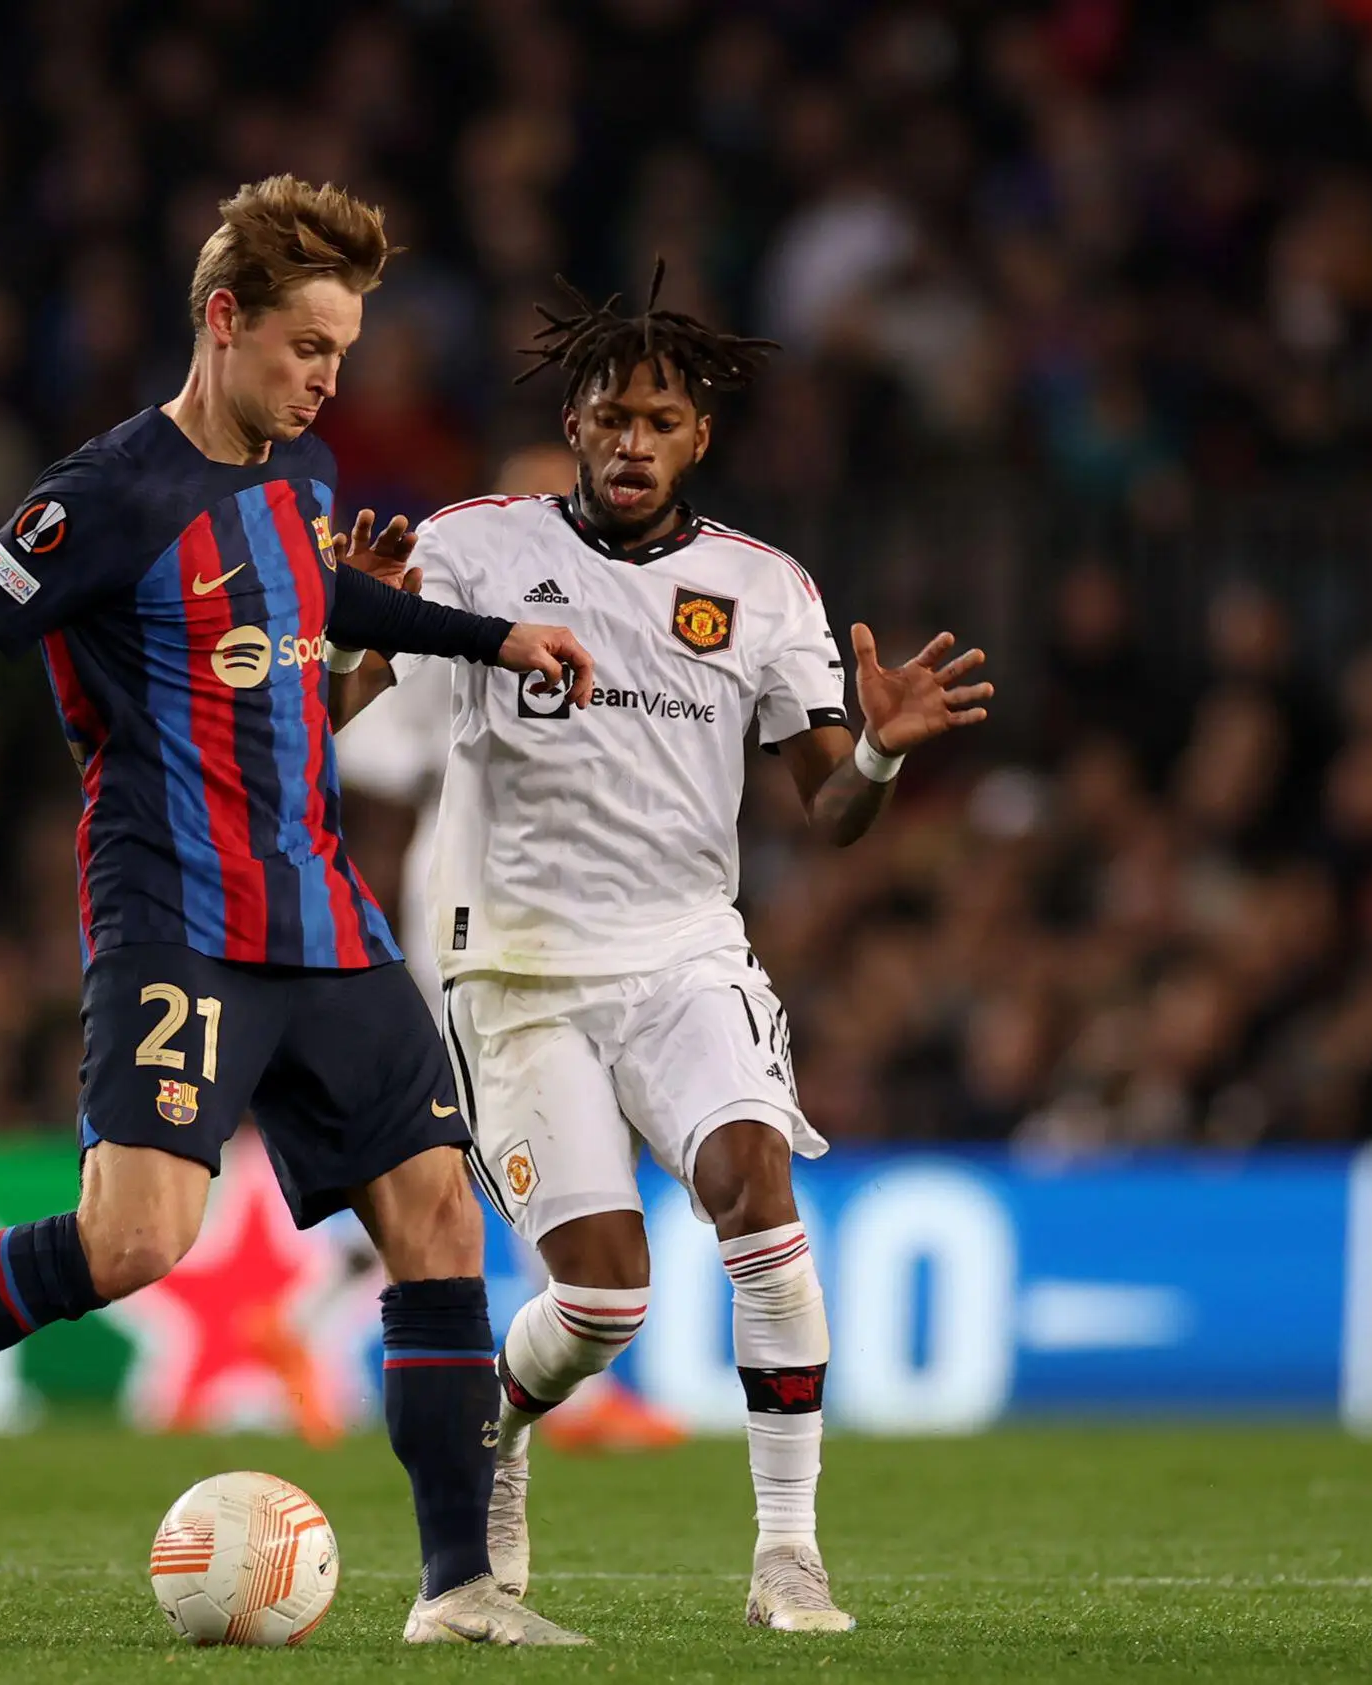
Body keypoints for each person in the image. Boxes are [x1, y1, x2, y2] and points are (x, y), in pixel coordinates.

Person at [0, 177, 598, 1647]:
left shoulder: (303, 476)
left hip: (321, 912)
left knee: (441, 1221)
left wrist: (488, 633)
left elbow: (323, 608)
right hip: (176, 919)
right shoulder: (99, 503)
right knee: (134, 1242)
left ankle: (458, 1592)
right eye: (308, 346)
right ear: (223, 321)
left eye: (343, 349)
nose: (332, 379)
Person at [340, 265, 992, 1632]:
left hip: (686, 958)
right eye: (609, 414)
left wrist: (873, 746)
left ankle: (789, 1560)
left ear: (701, 439)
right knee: (600, 1297)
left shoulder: (762, 591)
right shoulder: (470, 547)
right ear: (572, 427)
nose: (631, 439)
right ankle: (494, 1427)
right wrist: (357, 620)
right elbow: (340, 720)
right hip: (512, 976)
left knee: (759, 1194)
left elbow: (830, 809)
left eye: (659, 419)